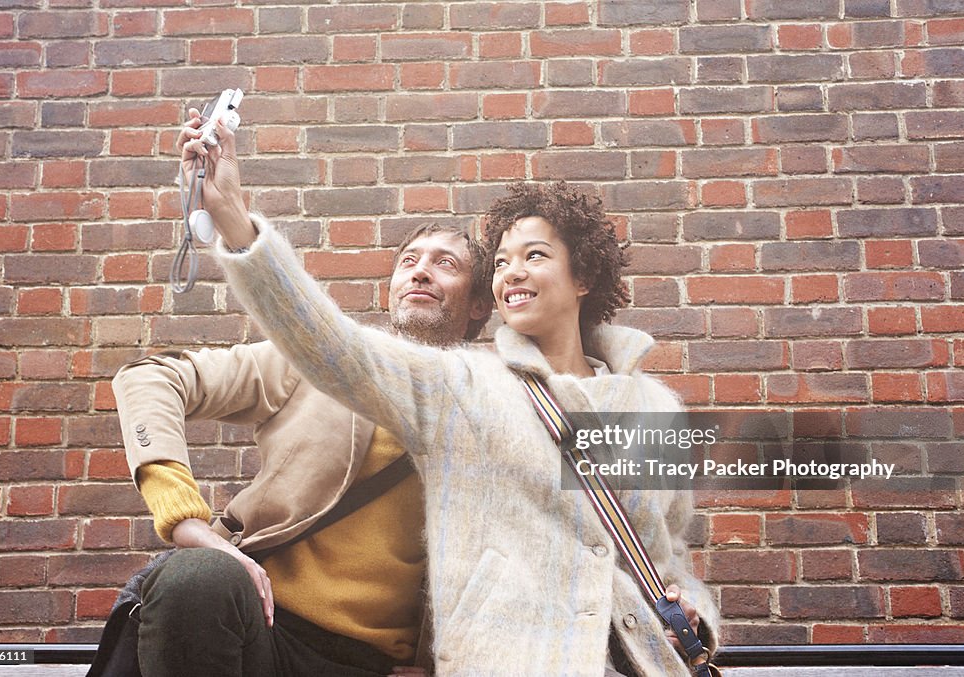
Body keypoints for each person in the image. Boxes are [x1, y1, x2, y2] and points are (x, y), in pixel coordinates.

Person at [185, 114, 719, 676]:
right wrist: (236, 222)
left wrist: (694, 611)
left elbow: (669, 556)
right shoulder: (468, 386)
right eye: (502, 262)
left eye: (534, 256)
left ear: (582, 277)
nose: (512, 272)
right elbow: (334, 347)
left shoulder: (655, 409)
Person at [112, 111, 492, 676]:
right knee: (197, 575)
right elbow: (149, 377)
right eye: (408, 262)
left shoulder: (500, 406)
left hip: (377, 665)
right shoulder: (314, 365)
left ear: (480, 305)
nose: (419, 273)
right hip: (260, 631)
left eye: (446, 264)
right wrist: (187, 522)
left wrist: (447, 665)